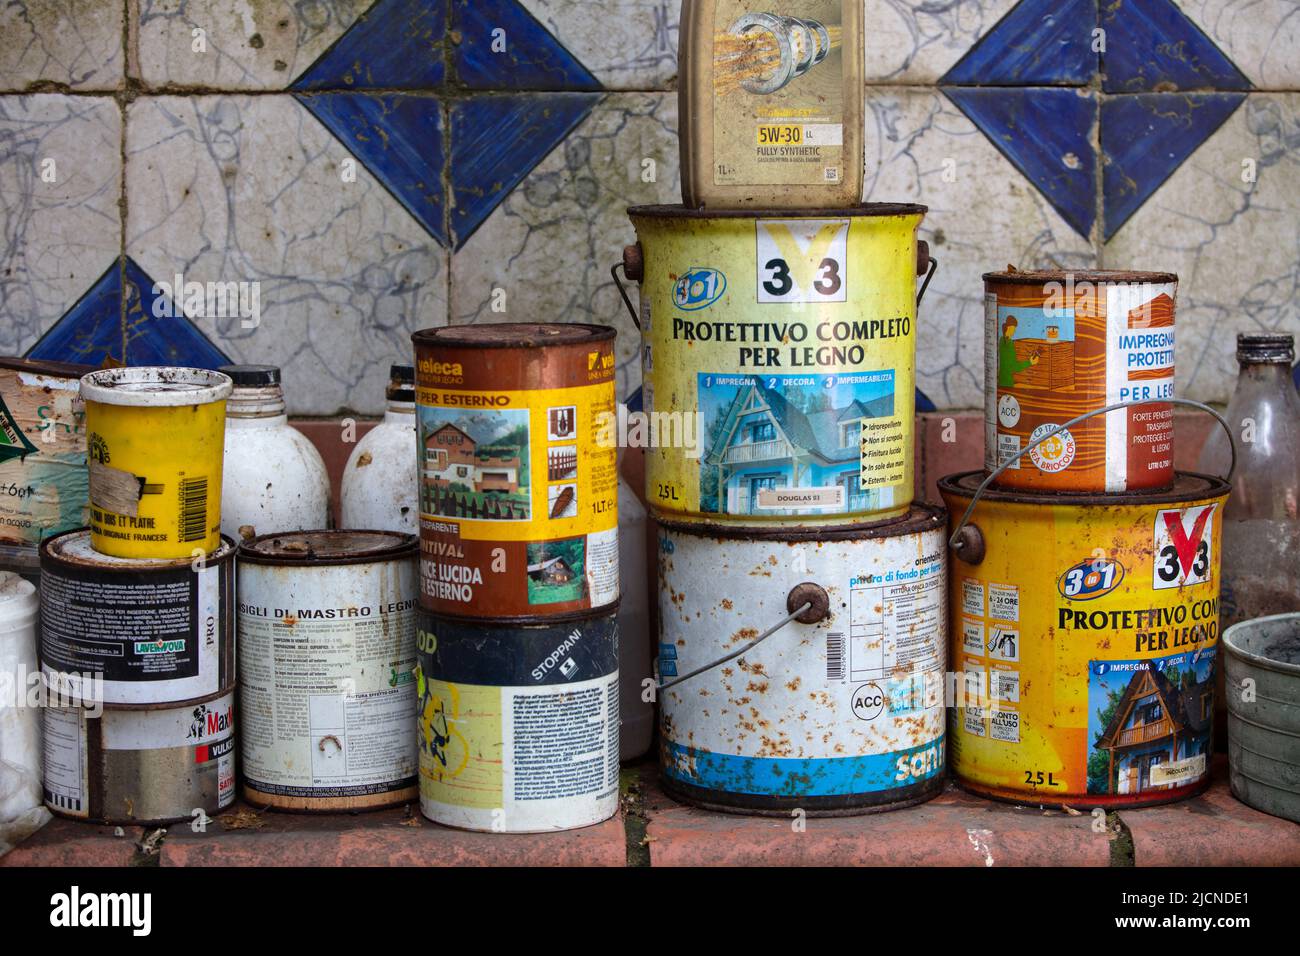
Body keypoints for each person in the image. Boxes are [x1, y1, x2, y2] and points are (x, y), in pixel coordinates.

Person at [997, 315, 1039, 388]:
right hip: (1007, 381)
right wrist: (1030, 362)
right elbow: (1014, 367)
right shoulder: (1009, 343)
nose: (1014, 331)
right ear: (1008, 328)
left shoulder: (1001, 340)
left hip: (1001, 379)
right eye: (1013, 329)